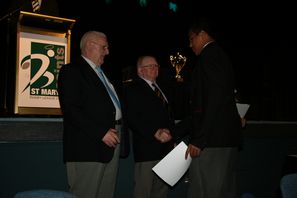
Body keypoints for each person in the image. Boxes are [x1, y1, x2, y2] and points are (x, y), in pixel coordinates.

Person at [174, 17, 242, 198]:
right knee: (223, 191)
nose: (190, 44)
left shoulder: (209, 57)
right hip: (224, 139)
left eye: (191, 38)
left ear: (202, 35)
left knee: (204, 190)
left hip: (211, 142)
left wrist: (199, 139)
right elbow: (225, 97)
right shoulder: (220, 56)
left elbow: (213, 100)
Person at [58, 31, 125, 198]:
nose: (107, 52)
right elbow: (71, 109)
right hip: (88, 147)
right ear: (90, 46)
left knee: (106, 194)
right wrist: (101, 132)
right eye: (104, 47)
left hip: (112, 141)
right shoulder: (71, 71)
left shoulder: (103, 74)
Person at [124, 55, 174, 198]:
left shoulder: (162, 88)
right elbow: (133, 118)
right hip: (147, 149)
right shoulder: (133, 88)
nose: (154, 69)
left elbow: (168, 117)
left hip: (166, 149)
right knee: (143, 191)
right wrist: (155, 132)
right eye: (150, 66)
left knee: (161, 192)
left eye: (156, 66)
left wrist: (173, 138)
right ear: (140, 71)